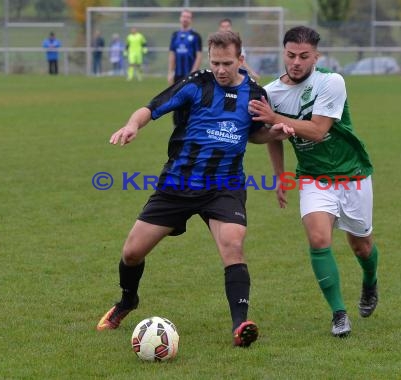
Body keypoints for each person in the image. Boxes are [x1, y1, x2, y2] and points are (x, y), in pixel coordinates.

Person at [96, 31, 291, 347]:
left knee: (233, 244)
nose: (221, 69)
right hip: (177, 184)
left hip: (223, 187)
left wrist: (274, 134)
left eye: (227, 63)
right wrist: (133, 125)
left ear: (241, 60)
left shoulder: (255, 94)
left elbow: (255, 134)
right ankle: (128, 300)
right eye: (215, 62)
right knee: (131, 253)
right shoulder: (196, 84)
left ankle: (241, 326)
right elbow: (151, 107)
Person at [248, 26, 380, 338]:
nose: (296, 62)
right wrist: (280, 174)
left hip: (352, 174)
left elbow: (318, 130)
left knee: (361, 246)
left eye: (304, 56)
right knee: (319, 239)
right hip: (313, 178)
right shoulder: (272, 94)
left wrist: (274, 118)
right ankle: (338, 314)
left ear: (315, 57)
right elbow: (269, 136)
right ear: (284, 53)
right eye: (291, 55)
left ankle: (370, 281)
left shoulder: (331, 82)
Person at [168, 9, 202, 128]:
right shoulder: (175, 35)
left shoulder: (195, 36)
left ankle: (190, 124)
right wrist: (170, 72)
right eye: (183, 16)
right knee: (176, 99)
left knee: (189, 99)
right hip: (178, 74)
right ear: (180, 18)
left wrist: (193, 72)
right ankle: (176, 125)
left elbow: (198, 55)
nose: (185, 18)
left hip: (189, 74)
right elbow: (172, 54)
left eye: (188, 17)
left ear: (190, 20)